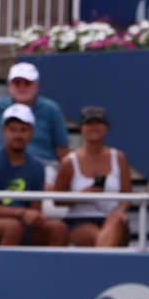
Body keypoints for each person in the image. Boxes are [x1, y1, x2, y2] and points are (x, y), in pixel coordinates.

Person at [0, 104, 68, 247]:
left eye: (23, 130)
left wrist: (32, 216)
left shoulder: (37, 166)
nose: (18, 135)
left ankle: (49, 269)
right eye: (13, 130)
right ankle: (4, 270)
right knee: (12, 227)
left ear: (31, 132)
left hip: (22, 222)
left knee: (58, 229)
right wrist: (23, 213)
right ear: (4, 131)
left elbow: (36, 207)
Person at [0, 63, 70, 189]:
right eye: (17, 83)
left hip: (44, 164)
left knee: (46, 187)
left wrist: (66, 180)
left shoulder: (51, 109)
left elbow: (62, 149)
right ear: (9, 86)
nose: (22, 87)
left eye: (27, 83)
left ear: (36, 86)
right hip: (4, 163)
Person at [50, 106, 131, 248]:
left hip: (111, 218)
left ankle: (99, 264)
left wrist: (119, 211)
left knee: (115, 222)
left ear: (106, 128)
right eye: (89, 123)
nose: (94, 127)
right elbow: (58, 200)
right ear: (81, 129)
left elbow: (127, 197)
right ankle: (103, 265)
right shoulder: (69, 162)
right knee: (99, 236)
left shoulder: (119, 158)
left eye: (98, 123)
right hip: (78, 220)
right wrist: (82, 195)